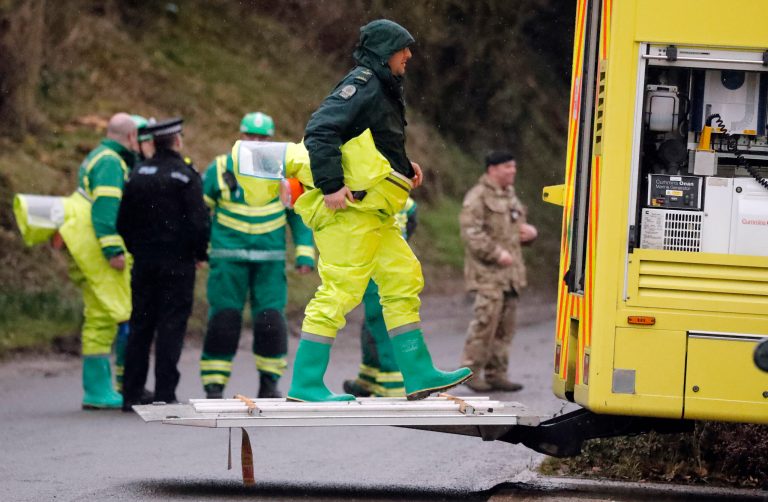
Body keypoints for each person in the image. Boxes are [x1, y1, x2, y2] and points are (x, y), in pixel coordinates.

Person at [286, 19, 472, 402]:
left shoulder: (381, 86)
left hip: (375, 214)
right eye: (404, 48)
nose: (409, 55)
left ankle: (418, 373)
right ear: (387, 51)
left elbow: (375, 141)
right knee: (339, 292)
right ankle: (305, 384)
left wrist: (406, 167)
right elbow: (321, 129)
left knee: (403, 277)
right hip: (352, 212)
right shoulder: (363, 84)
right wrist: (331, 184)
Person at [199, 112, 316, 399]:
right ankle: (214, 385)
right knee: (224, 319)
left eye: (263, 138)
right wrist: (198, 248)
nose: (256, 142)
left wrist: (304, 253)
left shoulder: (284, 170)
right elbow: (199, 213)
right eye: (251, 137)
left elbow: (299, 214)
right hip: (228, 259)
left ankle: (269, 382)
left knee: (270, 320)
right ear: (241, 136)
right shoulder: (220, 168)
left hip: (269, 260)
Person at [117, 118, 210, 410]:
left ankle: (131, 393)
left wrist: (138, 249)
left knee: (140, 324)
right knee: (171, 326)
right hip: (177, 264)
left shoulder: (137, 174)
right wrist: (199, 254)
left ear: (153, 144)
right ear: (178, 142)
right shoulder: (185, 176)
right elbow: (199, 222)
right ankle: (164, 393)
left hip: (144, 262)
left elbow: (123, 222)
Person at [62, 112, 139, 409]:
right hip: (97, 247)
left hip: (83, 242)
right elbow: (105, 210)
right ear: (131, 137)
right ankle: (98, 390)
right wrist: (113, 250)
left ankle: (98, 388)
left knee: (98, 316)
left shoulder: (97, 155)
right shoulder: (110, 162)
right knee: (109, 314)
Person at [459, 151, 537, 392]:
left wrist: (529, 234)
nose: (512, 171)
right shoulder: (477, 197)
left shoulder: (510, 196)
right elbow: (471, 234)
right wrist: (496, 254)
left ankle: (496, 373)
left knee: (505, 327)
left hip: (511, 275)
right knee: (485, 323)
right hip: (488, 275)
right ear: (492, 169)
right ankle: (470, 373)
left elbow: (513, 230)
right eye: (507, 167)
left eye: (514, 166)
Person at [342, 197, 417, 397]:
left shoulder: (373, 192)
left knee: (381, 322)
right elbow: (411, 217)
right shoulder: (401, 198)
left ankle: (392, 385)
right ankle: (369, 377)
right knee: (371, 323)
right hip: (384, 263)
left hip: (380, 266)